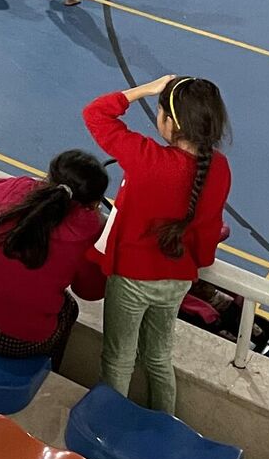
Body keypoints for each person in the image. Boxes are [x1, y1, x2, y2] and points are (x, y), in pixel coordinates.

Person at [84, 75, 232, 414]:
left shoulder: (147, 158)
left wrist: (147, 89)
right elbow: (208, 232)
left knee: (119, 357)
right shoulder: (219, 168)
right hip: (177, 280)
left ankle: (108, 422)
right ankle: (163, 421)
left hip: (131, 278)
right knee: (158, 357)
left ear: (171, 122)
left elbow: (95, 113)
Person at [0, 151, 109, 361]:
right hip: (18, 341)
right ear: (95, 203)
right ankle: (48, 367)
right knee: (69, 308)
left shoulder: (24, 190)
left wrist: (27, 184)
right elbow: (89, 291)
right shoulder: (91, 229)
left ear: (49, 177)